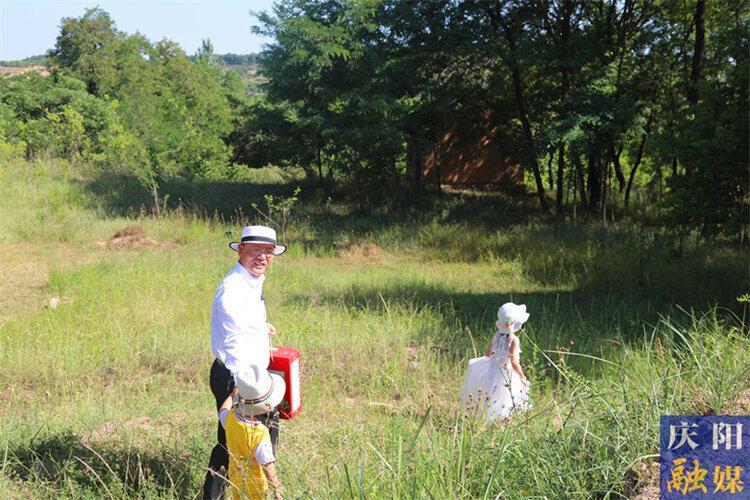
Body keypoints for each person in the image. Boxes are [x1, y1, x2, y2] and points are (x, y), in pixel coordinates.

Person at [203, 225, 287, 499]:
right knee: (239, 441)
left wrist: (262, 328)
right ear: (240, 250)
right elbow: (233, 341)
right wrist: (243, 388)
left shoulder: (251, 280)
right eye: (254, 251)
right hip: (238, 377)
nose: (262, 257)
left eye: (268, 251)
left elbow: (243, 324)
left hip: (246, 374)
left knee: (239, 439)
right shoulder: (233, 290)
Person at [219, 365, 285, 500]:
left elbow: (222, 410)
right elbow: (268, 465)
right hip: (256, 489)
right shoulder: (259, 433)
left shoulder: (230, 419)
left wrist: (232, 396)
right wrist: (277, 489)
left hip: (236, 480)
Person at [460, 302, 532, 421]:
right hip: (506, 374)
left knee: (491, 397)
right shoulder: (514, 340)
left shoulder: (497, 336)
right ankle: (502, 422)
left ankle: (490, 420)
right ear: (517, 323)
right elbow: (514, 362)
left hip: (492, 371)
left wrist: (495, 360)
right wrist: (522, 376)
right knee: (506, 399)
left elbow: (487, 354)